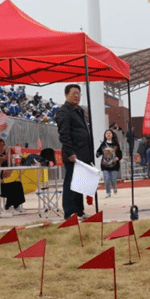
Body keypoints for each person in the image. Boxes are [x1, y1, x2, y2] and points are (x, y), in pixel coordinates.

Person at [55, 84, 94, 220]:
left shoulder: (79, 111)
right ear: (66, 94)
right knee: (71, 183)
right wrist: (70, 152)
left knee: (80, 184)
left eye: (79, 93)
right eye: (74, 93)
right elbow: (64, 134)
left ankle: (79, 211)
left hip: (83, 154)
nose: (77, 96)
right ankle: (69, 212)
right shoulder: (64, 111)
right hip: (73, 154)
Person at [0, 139, 26, 216]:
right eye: (1, 146)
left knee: (18, 184)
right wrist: (1, 160)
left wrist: (9, 162)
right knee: (12, 186)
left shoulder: (1, 157)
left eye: (3, 147)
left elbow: (4, 174)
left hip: (0, 182)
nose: (3, 149)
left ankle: (16, 205)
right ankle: (8, 206)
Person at [96, 129, 122, 197]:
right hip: (105, 165)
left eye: (110, 133)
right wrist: (98, 154)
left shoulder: (116, 144)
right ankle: (108, 192)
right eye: (107, 133)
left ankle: (115, 188)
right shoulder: (103, 144)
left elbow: (120, 154)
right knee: (106, 179)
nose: (108, 134)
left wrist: (118, 158)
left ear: (112, 135)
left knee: (113, 179)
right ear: (105, 135)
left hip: (114, 165)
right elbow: (98, 152)